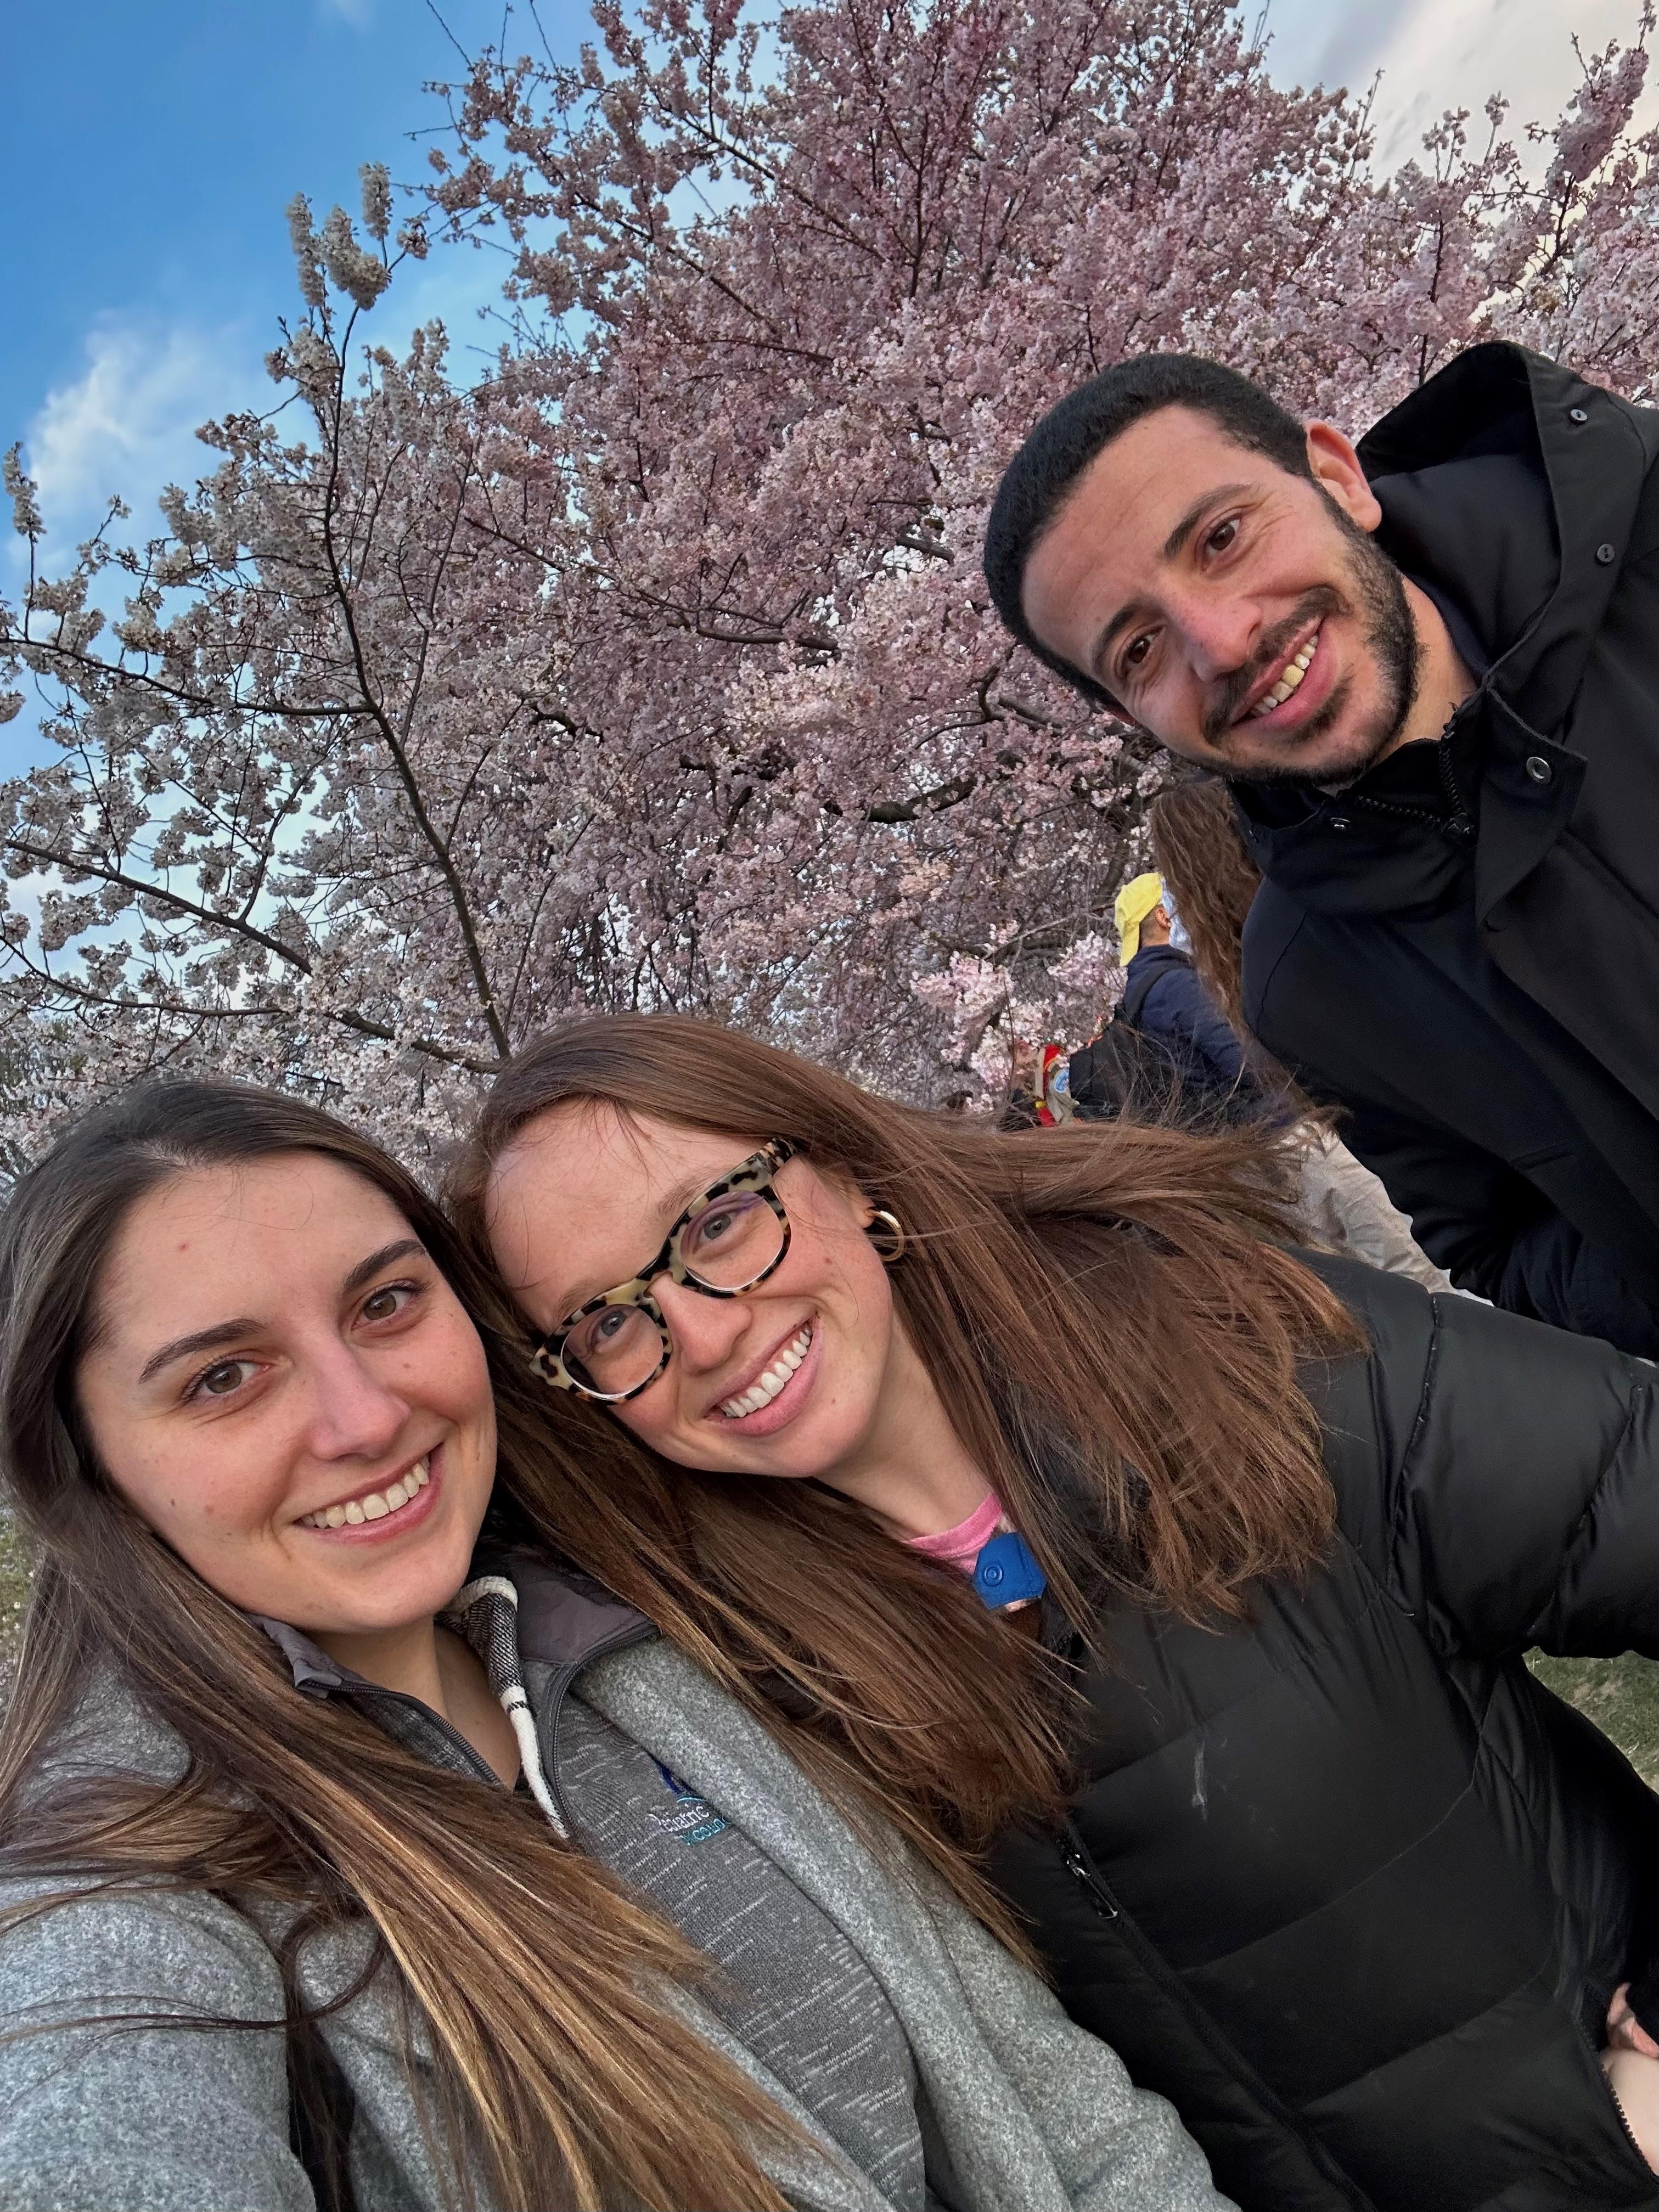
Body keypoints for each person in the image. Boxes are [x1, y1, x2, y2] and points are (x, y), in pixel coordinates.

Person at [450, 1012, 1659, 2212]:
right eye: (610, 1320)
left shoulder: (1234, 1359)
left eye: (717, 1221)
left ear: (840, 1164)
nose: (702, 1330)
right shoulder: (744, 1673)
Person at [0, 1079, 1231, 2212]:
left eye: (384, 1302)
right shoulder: (124, 1870)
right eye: (224, 1376)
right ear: (87, 1469)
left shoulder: (635, 1625)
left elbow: (1061, 2108)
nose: (364, 1417)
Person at [981, 344, 1659, 1356]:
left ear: (1337, 475)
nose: (1220, 642)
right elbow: (1491, 1242)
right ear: (1132, 718)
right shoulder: (1308, 986)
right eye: (1138, 650)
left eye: (1220, 538)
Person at [1146, 780, 1455, 1292]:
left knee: (1379, 1289)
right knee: (1417, 1272)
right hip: (1334, 1129)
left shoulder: (1221, 960)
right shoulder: (1301, 895)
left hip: (1290, 1138)